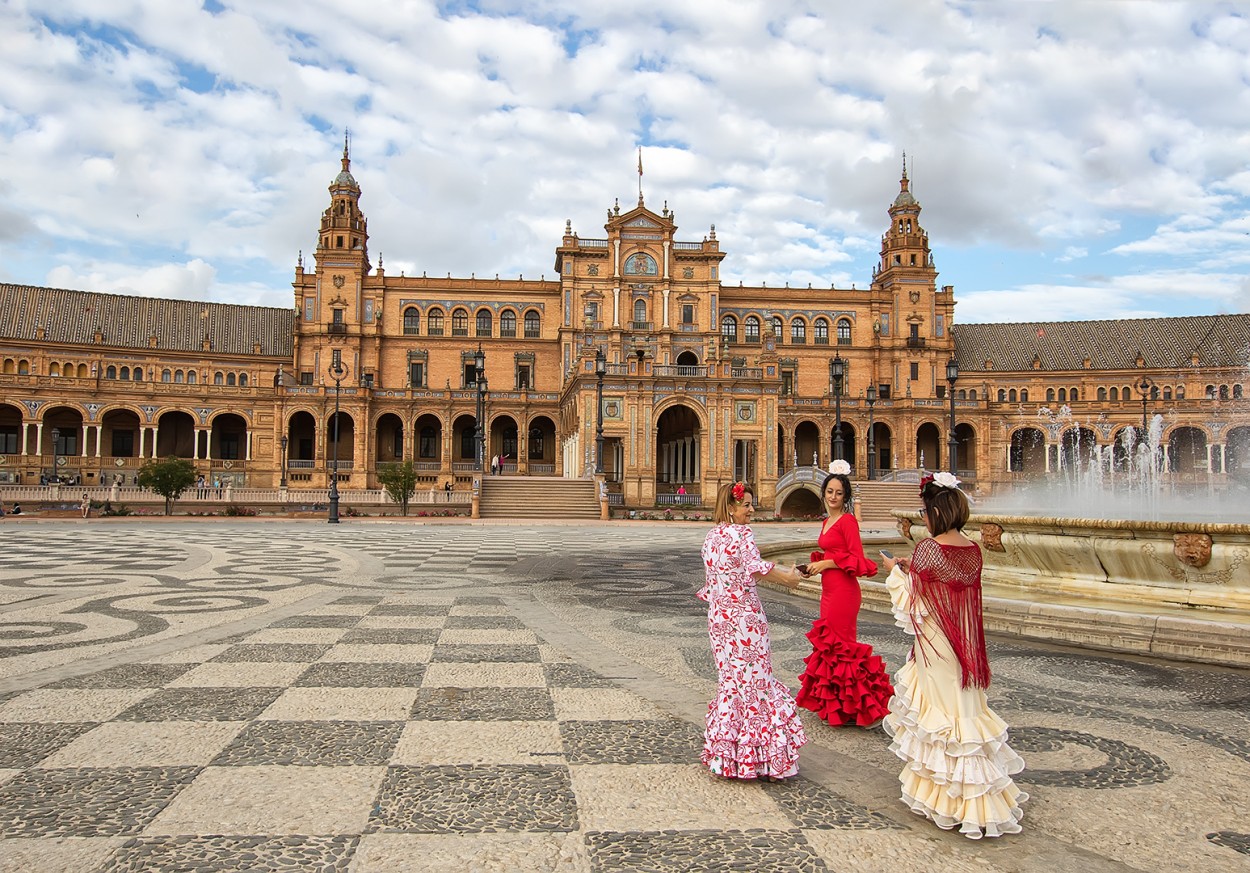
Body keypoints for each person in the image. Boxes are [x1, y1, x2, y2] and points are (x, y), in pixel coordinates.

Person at [881, 471, 1027, 839]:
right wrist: (911, 567)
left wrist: (894, 571)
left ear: (935, 513)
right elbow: (949, 582)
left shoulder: (928, 549)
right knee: (965, 713)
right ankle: (979, 801)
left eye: (925, 511)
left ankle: (947, 798)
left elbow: (916, 597)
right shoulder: (973, 551)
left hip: (937, 645)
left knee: (941, 719)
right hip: (964, 641)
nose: (923, 517)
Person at [698, 481, 808, 780]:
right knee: (756, 684)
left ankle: (728, 756)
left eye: (750, 504)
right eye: (745, 504)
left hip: (719, 620)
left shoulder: (711, 537)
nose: (751, 510)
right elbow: (757, 568)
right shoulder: (741, 533)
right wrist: (790, 578)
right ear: (731, 508)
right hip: (746, 621)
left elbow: (720, 578)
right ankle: (764, 760)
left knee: (732, 683)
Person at [795, 467, 894, 726]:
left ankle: (863, 706)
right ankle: (839, 707)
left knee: (842, 645)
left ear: (845, 496)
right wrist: (815, 565)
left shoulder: (848, 521)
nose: (833, 496)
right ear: (824, 493)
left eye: (839, 493)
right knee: (830, 645)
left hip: (845, 591)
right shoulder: (827, 521)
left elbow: (857, 558)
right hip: (830, 589)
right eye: (830, 491)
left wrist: (826, 564)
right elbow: (834, 554)